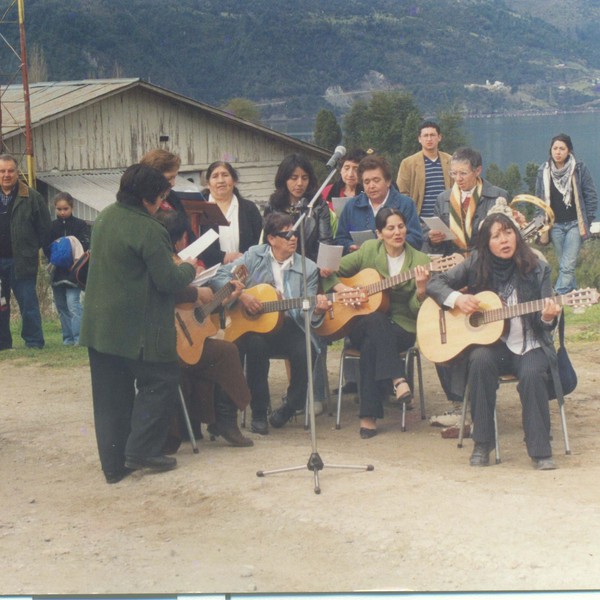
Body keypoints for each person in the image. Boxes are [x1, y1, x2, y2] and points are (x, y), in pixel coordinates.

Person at [80, 164, 197, 484]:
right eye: (160, 197)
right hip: (135, 328)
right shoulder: (149, 228)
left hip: (99, 325)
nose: (162, 203)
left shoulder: (104, 217)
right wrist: (189, 267)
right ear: (149, 197)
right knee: (162, 377)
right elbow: (168, 280)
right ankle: (142, 450)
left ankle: (114, 467)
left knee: (109, 397)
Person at [427, 213, 563, 470]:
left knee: (533, 373)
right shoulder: (477, 262)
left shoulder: (538, 268)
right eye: (496, 235)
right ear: (486, 243)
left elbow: (547, 324)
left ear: (517, 235)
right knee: (478, 362)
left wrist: (547, 317)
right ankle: (482, 443)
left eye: (508, 232)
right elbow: (437, 282)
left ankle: (540, 450)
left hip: (529, 342)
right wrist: (457, 299)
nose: (504, 240)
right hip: (492, 345)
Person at [209, 212, 331, 435]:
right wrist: (242, 295)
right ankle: (259, 411)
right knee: (256, 346)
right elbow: (218, 276)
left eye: (295, 234)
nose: (293, 238)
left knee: (308, 349)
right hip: (256, 327)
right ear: (272, 239)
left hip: (290, 323)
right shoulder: (254, 256)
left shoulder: (309, 268)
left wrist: (318, 309)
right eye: (287, 234)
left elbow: (308, 316)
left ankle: (291, 406)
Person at [322, 207, 430, 438]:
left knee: (373, 339)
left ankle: (368, 416)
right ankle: (397, 378)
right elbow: (328, 271)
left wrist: (421, 290)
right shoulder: (369, 250)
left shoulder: (420, 260)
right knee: (374, 320)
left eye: (401, 226)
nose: (397, 232)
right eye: (390, 228)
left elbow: (414, 310)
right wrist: (343, 289)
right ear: (379, 233)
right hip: (360, 322)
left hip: (402, 326)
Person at [153, 208, 253, 449]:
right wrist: (197, 291)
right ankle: (224, 421)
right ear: (179, 239)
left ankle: (220, 420)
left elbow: (198, 310)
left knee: (220, 349)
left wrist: (226, 294)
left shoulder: (175, 259)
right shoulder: (166, 261)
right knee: (226, 353)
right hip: (165, 338)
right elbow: (166, 291)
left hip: (183, 335)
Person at [535, 133, 598, 295]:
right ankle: (574, 296)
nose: (558, 152)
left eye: (562, 148)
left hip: (575, 224)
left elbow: (591, 195)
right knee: (565, 265)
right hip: (555, 225)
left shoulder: (578, 168)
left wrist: (588, 219)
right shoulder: (544, 171)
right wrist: (539, 224)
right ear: (551, 150)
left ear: (569, 150)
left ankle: (557, 296)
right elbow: (539, 200)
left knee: (567, 265)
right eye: (555, 148)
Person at [0, 154, 52, 350]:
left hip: (22, 262)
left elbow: (45, 229)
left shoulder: (32, 197)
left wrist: (29, 250)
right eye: (2, 171)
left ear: (17, 172)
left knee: (28, 304)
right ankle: (3, 344)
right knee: (0, 306)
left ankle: (34, 342)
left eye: (10, 171)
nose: (6, 175)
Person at [424, 147, 508, 256]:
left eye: (463, 173)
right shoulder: (443, 198)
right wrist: (433, 241)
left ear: (477, 171)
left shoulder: (498, 196)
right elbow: (435, 246)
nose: (458, 179)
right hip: (453, 263)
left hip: (486, 262)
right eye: (453, 173)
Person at [335, 154, 423, 254]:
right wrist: (350, 246)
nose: (371, 186)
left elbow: (416, 240)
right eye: (366, 182)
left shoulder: (405, 204)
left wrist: (386, 245)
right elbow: (340, 239)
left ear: (388, 181)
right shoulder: (351, 206)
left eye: (376, 180)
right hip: (361, 265)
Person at [264, 153, 333, 262]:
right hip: (281, 265)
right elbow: (267, 243)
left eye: (304, 178)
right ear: (284, 179)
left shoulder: (318, 205)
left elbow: (325, 241)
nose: (300, 183)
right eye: (294, 178)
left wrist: (323, 265)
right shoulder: (273, 206)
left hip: (312, 266)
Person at [198, 161, 263, 267]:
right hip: (209, 274)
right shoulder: (198, 209)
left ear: (234, 181)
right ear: (208, 184)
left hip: (245, 271)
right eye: (215, 176)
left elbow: (260, 242)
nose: (221, 180)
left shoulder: (249, 209)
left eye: (225, 175)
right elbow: (194, 246)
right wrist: (224, 257)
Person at [46, 192, 90, 346]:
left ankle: (79, 338)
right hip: (57, 272)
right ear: (55, 209)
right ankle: (68, 339)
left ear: (72, 207)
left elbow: (86, 247)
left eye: (65, 209)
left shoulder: (80, 225)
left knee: (73, 305)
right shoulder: (51, 226)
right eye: (59, 209)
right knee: (62, 307)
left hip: (74, 273)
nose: (62, 212)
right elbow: (47, 249)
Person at [140, 148, 197, 246]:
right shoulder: (141, 205)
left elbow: (188, 231)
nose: (173, 184)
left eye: (175, 177)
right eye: (169, 178)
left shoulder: (172, 196)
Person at [396, 120, 452, 218]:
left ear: (439, 137)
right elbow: (401, 193)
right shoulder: (408, 163)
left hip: (447, 220)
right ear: (419, 139)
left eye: (432, 135)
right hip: (420, 222)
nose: (429, 139)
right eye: (425, 136)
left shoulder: (451, 161)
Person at [321, 148, 367, 236]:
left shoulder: (368, 192)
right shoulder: (328, 191)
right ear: (341, 170)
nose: (350, 174)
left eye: (355, 169)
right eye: (346, 168)